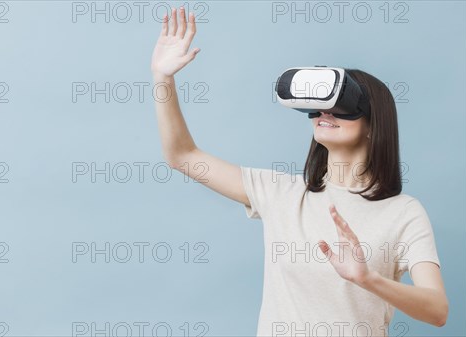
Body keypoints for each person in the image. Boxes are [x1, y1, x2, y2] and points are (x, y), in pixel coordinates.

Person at [150, 6, 449, 337]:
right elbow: (183, 155)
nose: (325, 113)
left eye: (341, 105)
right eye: (320, 106)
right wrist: (163, 77)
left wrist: (369, 279)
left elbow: (437, 310)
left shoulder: (403, 212)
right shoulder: (281, 193)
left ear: (372, 124)